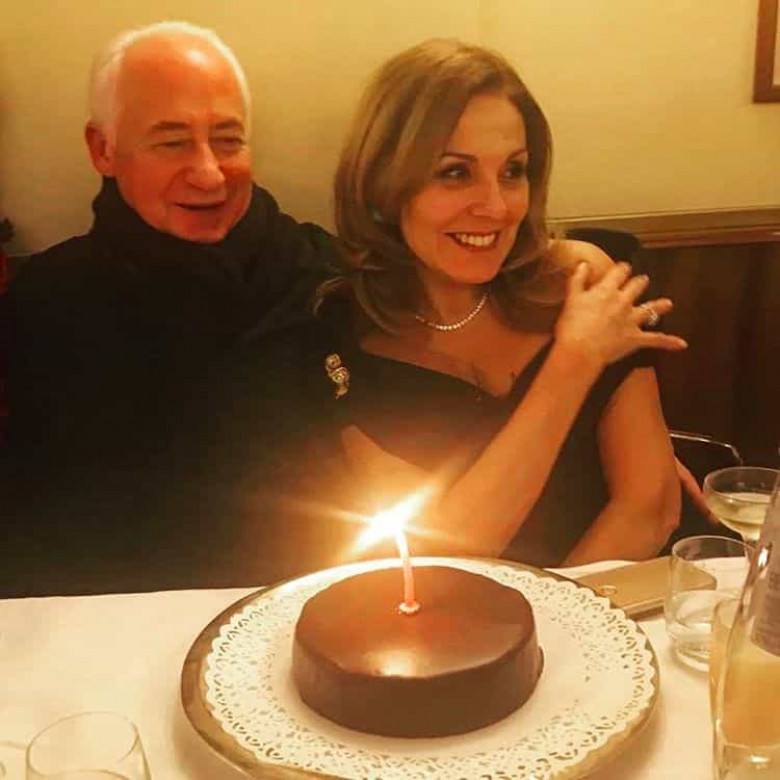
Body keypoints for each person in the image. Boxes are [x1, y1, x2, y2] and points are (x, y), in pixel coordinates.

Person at [304, 38, 688, 567]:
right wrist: (573, 362)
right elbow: (446, 549)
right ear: (383, 185)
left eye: (513, 171)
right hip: (460, 608)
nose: (496, 206)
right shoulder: (348, 332)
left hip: (613, 594)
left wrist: (568, 611)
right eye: (454, 172)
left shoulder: (580, 279)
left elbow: (651, 508)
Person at [1, 22, 336, 595]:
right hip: (106, 623)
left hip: (302, 613)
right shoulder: (43, 305)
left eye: (228, 140)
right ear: (103, 149)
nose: (209, 173)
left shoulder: (325, 280)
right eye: (172, 142)